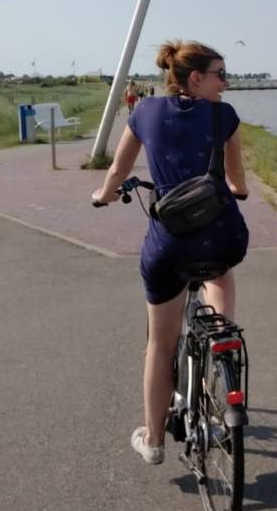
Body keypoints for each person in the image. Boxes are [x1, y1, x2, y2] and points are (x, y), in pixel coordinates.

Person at [92, 40, 249, 465]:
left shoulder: (144, 112)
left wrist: (103, 195)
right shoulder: (224, 117)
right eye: (220, 75)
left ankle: (154, 440)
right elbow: (237, 179)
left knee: (160, 345)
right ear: (196, 78)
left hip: (168, 245)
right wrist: (236, 190)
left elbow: (118, 170)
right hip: (220, 238)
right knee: (220, 269)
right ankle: (223, 339)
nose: (226, 83)